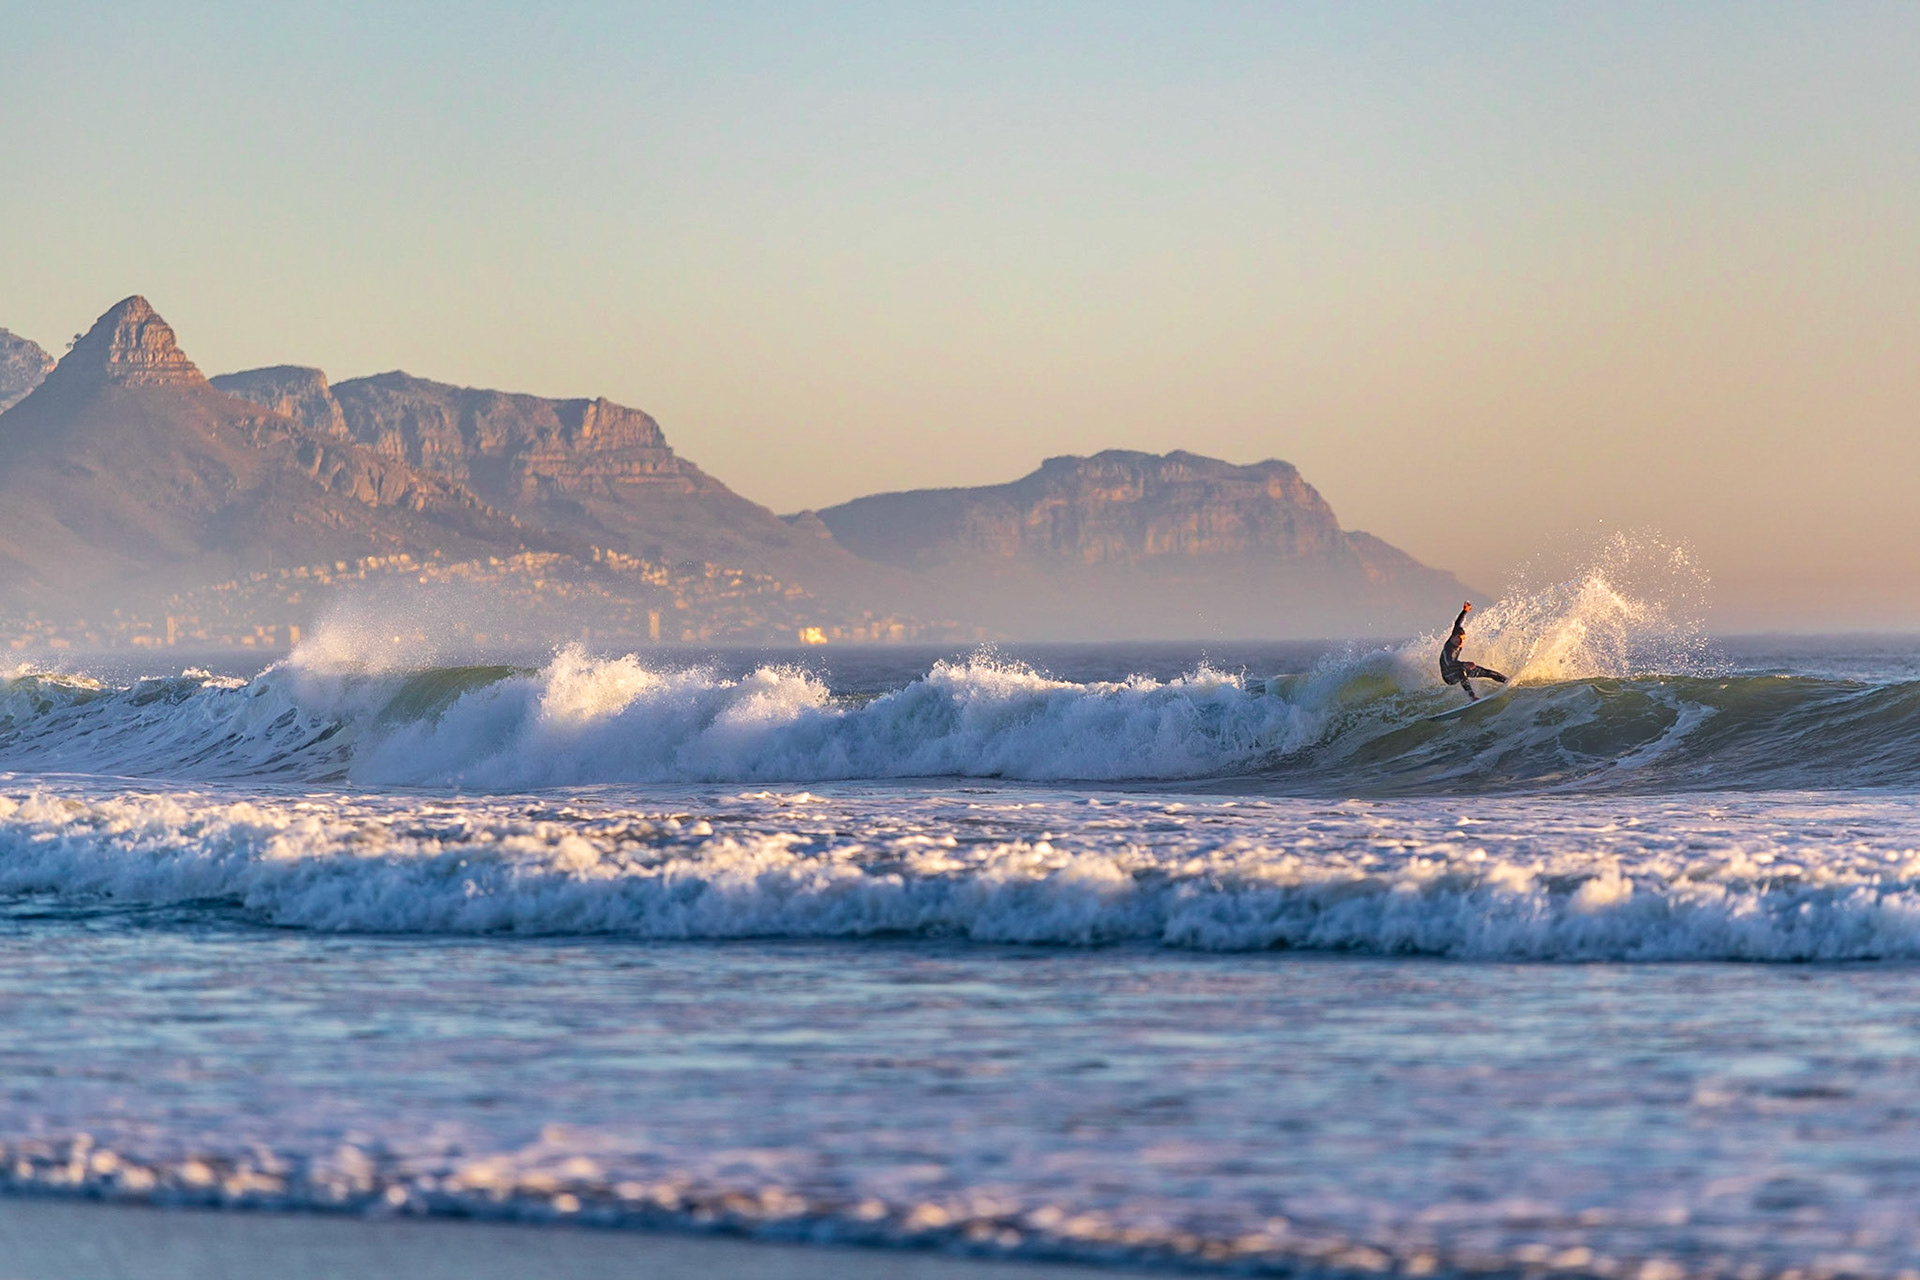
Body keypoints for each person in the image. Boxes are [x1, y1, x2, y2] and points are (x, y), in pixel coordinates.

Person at [1439, 602, 1507, 701]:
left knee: (1486, 672)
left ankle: (1506, 681)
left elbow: (1458, 623)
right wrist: (1464, 664)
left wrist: (1464, 611)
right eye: (1459, 639)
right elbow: (1450, 662)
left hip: (1458, 668)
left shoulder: (1456, 635)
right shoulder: (1449, 649)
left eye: (1463, 639)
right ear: (1453, 637)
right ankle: (1472, 696)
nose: (1461, 642)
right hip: (1448, 676)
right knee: (1461, 672)